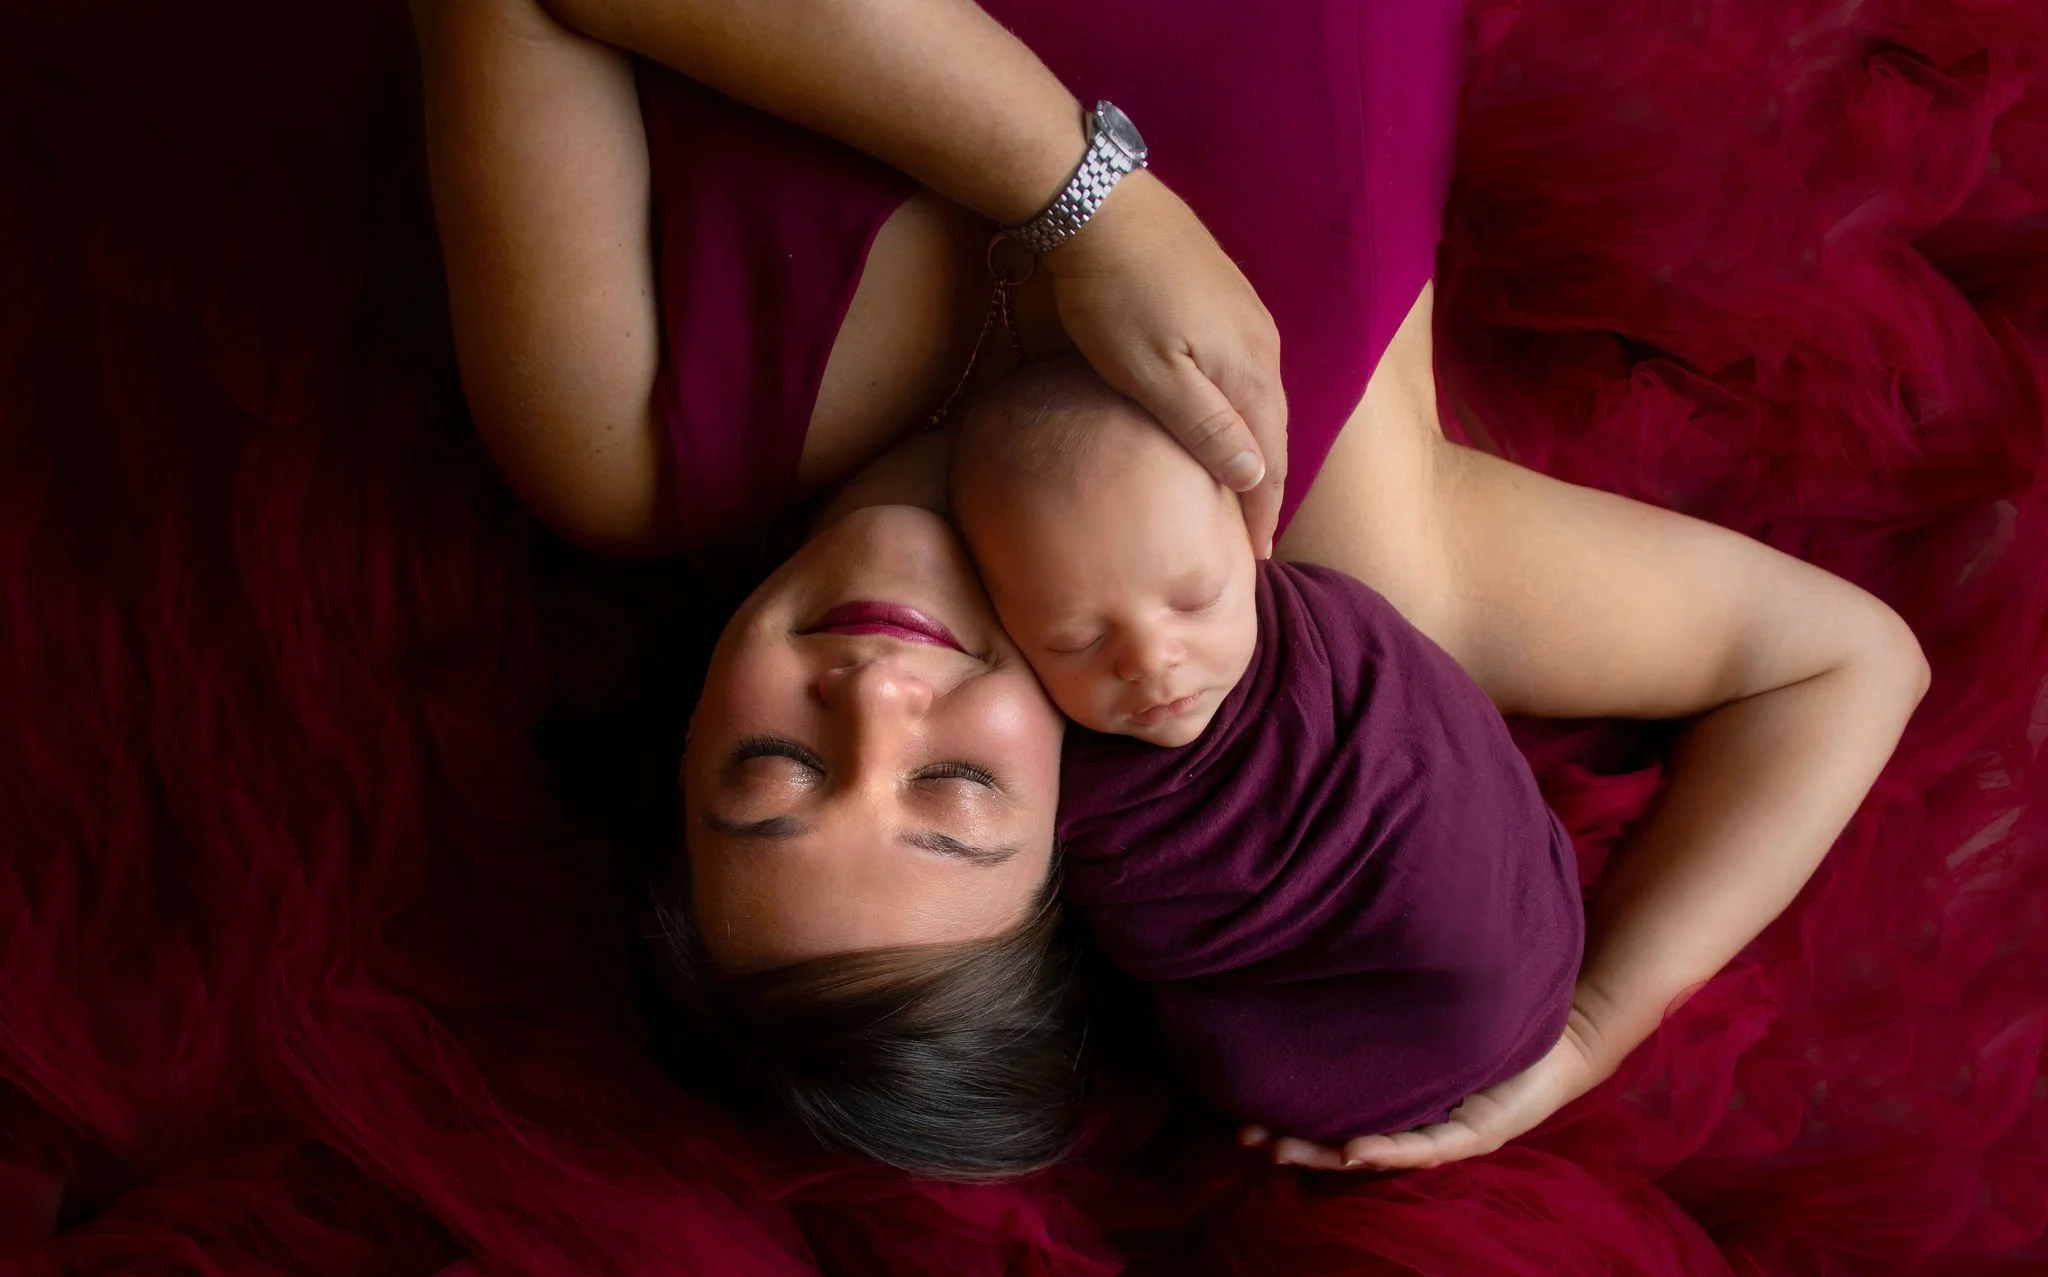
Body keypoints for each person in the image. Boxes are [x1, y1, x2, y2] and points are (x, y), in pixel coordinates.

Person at [407, 0, 1931, 1179]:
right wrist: (1591, 1027)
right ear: (1071, 817)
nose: (873, 700)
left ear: (680, 748)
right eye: (948, 792)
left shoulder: (619, 428)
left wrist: (1087, 197)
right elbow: (1841, 664)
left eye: (776, 768)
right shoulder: (1340, 550)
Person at [952, 356, 1584, 1147]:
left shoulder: (1335, 628)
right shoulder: (1055, 775)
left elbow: (1451, 746)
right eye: (1073, 638)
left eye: (1195, 598)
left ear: (1253, 530)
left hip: (1527, 952)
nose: (1151, 661)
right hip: (1323, 1031)